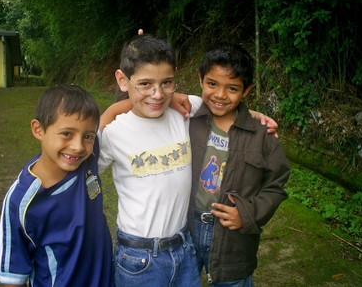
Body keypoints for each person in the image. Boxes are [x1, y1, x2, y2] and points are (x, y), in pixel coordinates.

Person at [97, 34, 202, 287]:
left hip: (184, 251)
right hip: (138, 259)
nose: (157, 94)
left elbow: (222, 107)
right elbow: (80, 168)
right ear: (123, 80)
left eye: (167, 83)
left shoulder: (183, 113)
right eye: (145, 84)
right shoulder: (114, 132)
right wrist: (111, 112)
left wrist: (254, 116)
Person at [187, 44, 290, 286]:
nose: (220, 95)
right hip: (186, 230)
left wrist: (248, 214)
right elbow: (147, 101)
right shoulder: (187, 121)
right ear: (200, 79)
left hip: (233, 240)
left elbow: (276, 185)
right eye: (212, 84)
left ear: (246, 91)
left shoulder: (261, 135)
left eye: (232, 88)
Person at [0, 84, 114, 287]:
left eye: (87, 136)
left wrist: (171, 98)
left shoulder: (87, 158)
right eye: (67, 133)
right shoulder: (20, 202)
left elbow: (112, 113)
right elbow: (12, 277)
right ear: (38, 129)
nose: (77, 146)